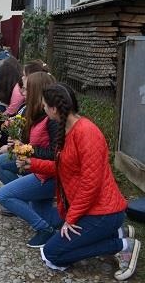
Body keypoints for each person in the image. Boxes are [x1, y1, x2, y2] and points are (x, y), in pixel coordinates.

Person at [21, 83, 139, 280]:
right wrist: (32, 164)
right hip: (92, 209)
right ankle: (116, 233)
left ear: (54, 109)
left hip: (104, 211)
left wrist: (71, 218)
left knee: (52, 254)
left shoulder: (86, 133)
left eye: (44, 105)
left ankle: (122, 245)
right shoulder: (67, 130)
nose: (42, 108)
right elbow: (64, 168)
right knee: (56, 248)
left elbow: (90, 184)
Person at [0, 72, 61, 247]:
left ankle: (44, 229)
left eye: (25, 88)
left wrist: (24, 149)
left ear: (35, 90)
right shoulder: (35, 112)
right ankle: (99, 221)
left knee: (3, 195)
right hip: (40, 171)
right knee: (48, 216)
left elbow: (56, 154)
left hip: (49, 175)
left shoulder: (51, 118)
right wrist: (19, 145)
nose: (21, 91)